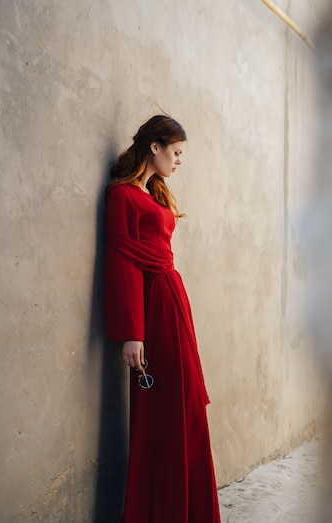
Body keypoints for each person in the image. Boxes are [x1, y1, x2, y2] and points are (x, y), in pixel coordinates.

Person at [104, 114, 221, 522]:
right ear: (155, 147)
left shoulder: (154, 193)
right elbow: (122, 265)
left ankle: (192, 509)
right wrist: (132, 333)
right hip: (153, 307)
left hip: (173, 303)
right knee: (166, 409)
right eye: (176, 152)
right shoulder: (122, 196)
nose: (179, 161)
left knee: (188, 405)